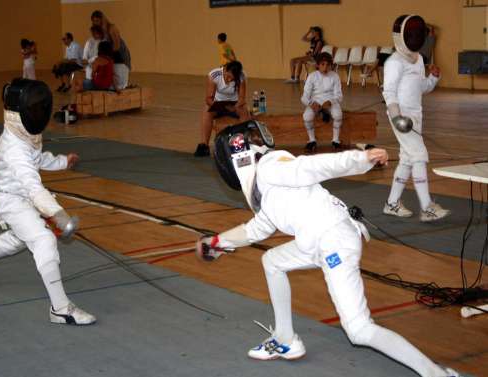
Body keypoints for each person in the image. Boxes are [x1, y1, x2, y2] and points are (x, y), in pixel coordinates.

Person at [197, 121, 461, 377]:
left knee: (359, 330)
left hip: (334, 241)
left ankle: (436, 374)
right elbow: (256, 230)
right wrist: (218, 243)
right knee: (273, 261)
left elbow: (310, 166)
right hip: (318, 240)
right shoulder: (265, 192)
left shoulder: (269, 167)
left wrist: (360, 159)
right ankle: (285, 338)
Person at [0, 78, 96, 326]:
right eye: (33, 108)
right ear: (19, 113)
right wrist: (59, 216)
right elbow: (33, 187)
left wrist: (63, 162)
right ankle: (60, 308)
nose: (38, 113)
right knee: (43, 239)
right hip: (10, 200)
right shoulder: (14, 147)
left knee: (18, 240)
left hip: (18, 196)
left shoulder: (25, 136)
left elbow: (37, 160)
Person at [382, 15, 450, 222]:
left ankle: (392, 203)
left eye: (419, 33)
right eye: (412, 33)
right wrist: (396, 118)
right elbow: (389, 92)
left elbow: (421, 88)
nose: (416, 37)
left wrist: (433, 78)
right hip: (401, 118)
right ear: (401, 36)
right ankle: (427, 207)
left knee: (408, 160)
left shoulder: (418, 58)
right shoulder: (394, 62)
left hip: (416, 116)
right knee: (419, 155)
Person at [194, 61, 250, 157]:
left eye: (232, 79)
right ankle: (204, 145)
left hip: (234, 104)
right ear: (225, 70)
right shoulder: (214, 75)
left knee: (244, 111)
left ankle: (243, 143)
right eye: (228, 77)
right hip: (219, 104)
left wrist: (235, 107)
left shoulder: (241, 76)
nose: (229, 80)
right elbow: (208, 98)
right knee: (206, 109)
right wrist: (219, 106)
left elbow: (242, 99)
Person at [301, 52, 343, 152]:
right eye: (322, 64)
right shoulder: (312, 76)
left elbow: (339, 95)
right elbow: (304, 96)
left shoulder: (335, 76)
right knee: (306, 117)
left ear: (331, 65)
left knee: (338, 115)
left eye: (328, 64)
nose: (325, 67)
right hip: (315, 100)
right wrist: (311, 104)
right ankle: (312, 140)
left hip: (331, 100)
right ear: (317, 65)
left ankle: (336, 140)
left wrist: (330, 102)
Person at [91, 10, 131, 89]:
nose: (96, 23)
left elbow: (117, 45)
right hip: (110, 55)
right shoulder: (100, 30)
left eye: (97, 20)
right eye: (94, 21)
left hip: (120, 54)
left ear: (102, 19)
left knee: (120, 78)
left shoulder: (111, 28)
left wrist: (106, 58)